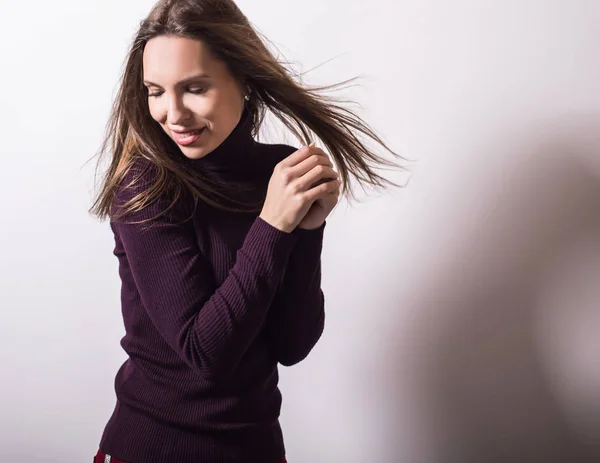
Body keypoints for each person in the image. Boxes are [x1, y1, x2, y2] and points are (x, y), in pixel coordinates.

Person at [89, 1, 404, 462]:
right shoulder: (145, 184)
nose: (171, 114)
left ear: (243, 79)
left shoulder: (278, 174)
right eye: (155, 91)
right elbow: (205, 354)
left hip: (256, 448)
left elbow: (291, 345)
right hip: (154, 450)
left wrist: (308, 229)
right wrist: (274, 225)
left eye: (194, 88)